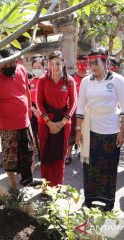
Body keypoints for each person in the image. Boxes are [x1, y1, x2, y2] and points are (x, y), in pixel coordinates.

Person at [75, 47, 124, 211]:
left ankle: (108, 200)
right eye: (90, 63)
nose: (92, 66)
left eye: (96, 62)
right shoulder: (86, 81)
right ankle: (90, 198)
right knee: (90, 166)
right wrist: (78, 130)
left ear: (106, 62)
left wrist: (122, 131)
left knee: (109, 167)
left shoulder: (118, 80)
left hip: (111, 130)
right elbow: (80, 107)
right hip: (90, 129)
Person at [0, 48, 34, 189]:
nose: (9, 67)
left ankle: (26, 180)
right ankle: (13, 184)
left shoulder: (21, 70)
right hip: (7, 125)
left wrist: (29, 108)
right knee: (10, 158)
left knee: (28, 153)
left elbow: (26, 91)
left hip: (24, 121)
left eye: (12, 63)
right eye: (5, 64)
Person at [36, 50, 77, 194]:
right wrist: (49, 122)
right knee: (45, 155)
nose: (55, 66)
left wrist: (61, 123)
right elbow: (38, 102)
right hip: (45, 124)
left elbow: (73, 104)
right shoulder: (42, 79)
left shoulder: (69, 81)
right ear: (48, 64)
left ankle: (57, 187)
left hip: (63, 124)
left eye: (58, 63)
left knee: (59, 157)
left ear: (63, 63)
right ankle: (45, 188)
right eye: (52, 63)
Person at [66, 54, 88, 165]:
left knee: (85, 132)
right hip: (73, 110)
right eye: (79, 62)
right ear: (76, 63)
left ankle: (82, 152)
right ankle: (68, 154)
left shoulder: (91, 78)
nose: (81, 65)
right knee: (71, 133)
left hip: (87, 111)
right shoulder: (70, 77)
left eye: (84, 62)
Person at [29, 54, 45, 171]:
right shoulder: (30, 82)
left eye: (39, 67)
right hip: (33, 110)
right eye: (35, 67)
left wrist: (41, 111)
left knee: (44, 136)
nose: (37, 69)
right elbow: (26, 98)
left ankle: (45, 159)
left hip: (45, 110)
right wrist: (32, 109)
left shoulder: (48, 81)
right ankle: (33, 160)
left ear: (44, 68)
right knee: (33, 136)